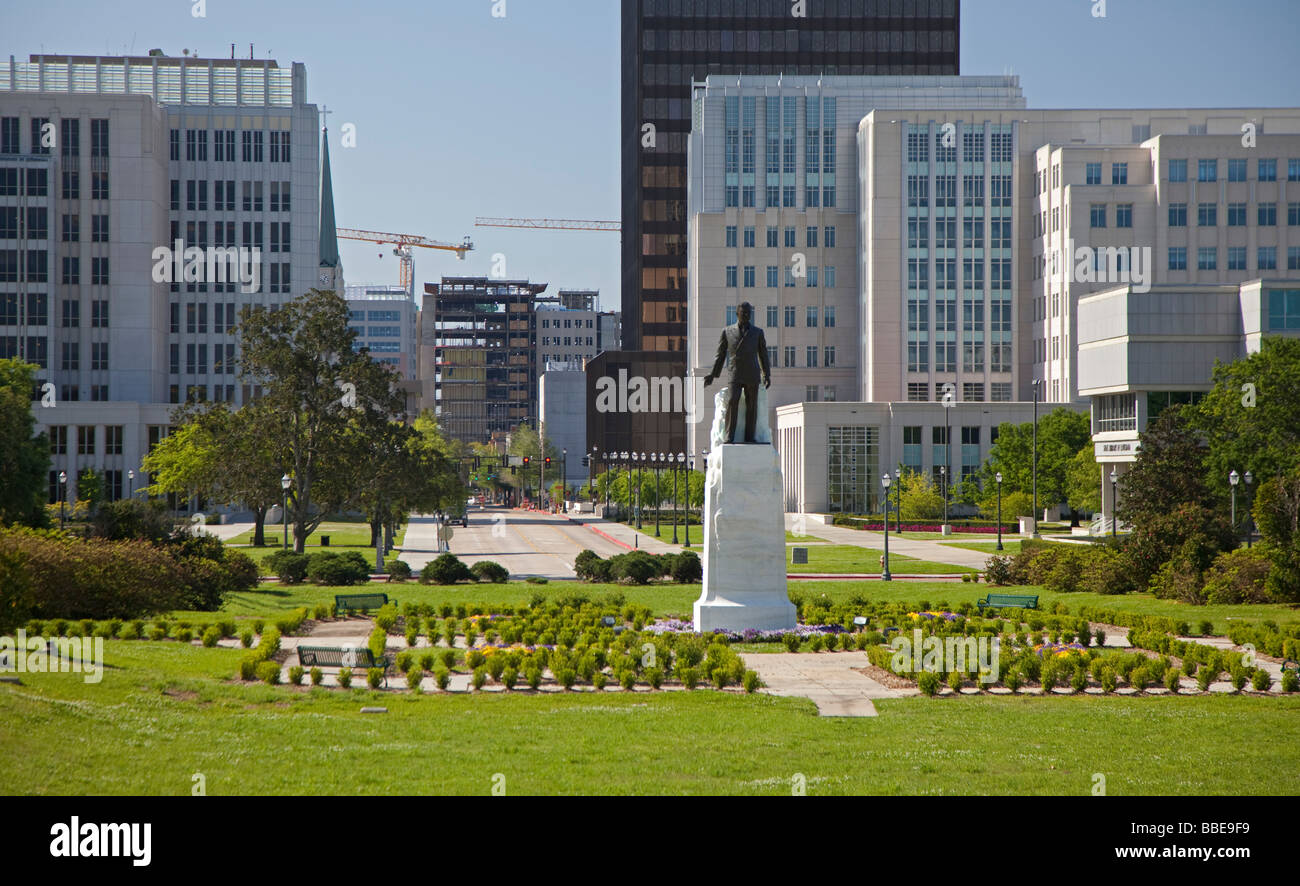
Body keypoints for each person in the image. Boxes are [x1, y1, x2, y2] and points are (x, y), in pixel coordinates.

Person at [704, 302, 772, 444]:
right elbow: (720, 355)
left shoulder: (757, 332)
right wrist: (712, 375)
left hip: (752, 373)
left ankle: (749, 437)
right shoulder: (727, 331)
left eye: (748, 313)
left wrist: (767, 373)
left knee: (752, 405)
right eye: (743, 313)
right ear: (737, 314)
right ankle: (729, 436)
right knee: (732, 401)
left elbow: (763, 355)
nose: (746, 315)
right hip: (735, 372)